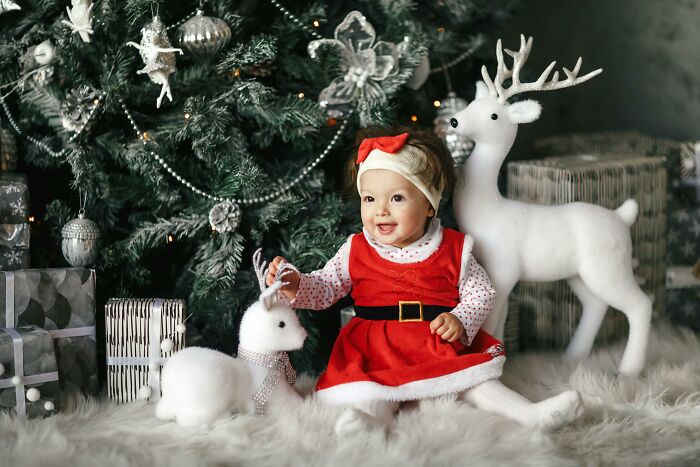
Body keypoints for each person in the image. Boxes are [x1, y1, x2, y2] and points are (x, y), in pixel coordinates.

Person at [266, 127, 583, 435]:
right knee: (373, 390)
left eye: (397, 198)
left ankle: (530, 414)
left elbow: (481, 292)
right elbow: (326, 287)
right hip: (375, 347)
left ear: (429, 204)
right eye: (369, 199)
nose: (381, 211)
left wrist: (460, 319)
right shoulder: (356, 248)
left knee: (477, 384)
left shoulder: (453, 248)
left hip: (434, 339)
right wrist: (297, 283)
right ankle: (369, 422)